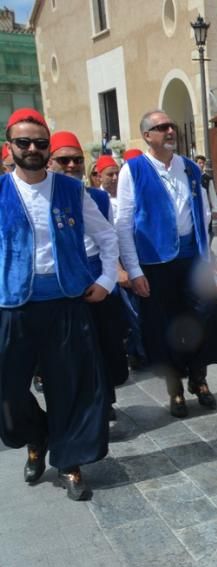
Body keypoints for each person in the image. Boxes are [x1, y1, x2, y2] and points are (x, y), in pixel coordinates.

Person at [0, 109, 119, 501]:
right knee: (8, 390)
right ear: (10, 146)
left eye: (39, 142)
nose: (32, 149)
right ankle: (37, 437)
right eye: (23, 142)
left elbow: (106, 235)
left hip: (67, 304)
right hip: (13, 306)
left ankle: (69, 461)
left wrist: (105, 281)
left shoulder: (70, 190)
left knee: (71, 387)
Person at [116, 109, 217, 418]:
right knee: (164, 326)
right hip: (155, 261)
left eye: (171, 125)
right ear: (148, 135)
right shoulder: (133, 170)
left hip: (191, 257)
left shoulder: (189, 167)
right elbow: (124, 224)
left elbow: (201, 215)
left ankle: (199, 378)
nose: (169, 131)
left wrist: (207, 257)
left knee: (206, 314)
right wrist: (134, 270)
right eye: (161, 127)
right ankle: (175, 386)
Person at [46, 131, 129, 422]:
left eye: (77, 160)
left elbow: (110, 238)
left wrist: (113, 274)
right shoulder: (42, 195)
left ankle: (105, 398)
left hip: (97, 274)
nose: (71, 166)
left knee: (107, 343)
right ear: (50, 162)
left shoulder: (97, 197)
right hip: (64, 280)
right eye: (64, 160)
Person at [195, 155, 217, 234]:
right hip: (195, 206)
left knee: (208, 229)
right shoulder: (191, 176)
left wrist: (215, 209)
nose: (201, 165)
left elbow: (212, 194)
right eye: (199, 163)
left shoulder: (207, 178)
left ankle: (208, 245)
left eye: (203, 163)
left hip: (205, 207)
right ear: (195, 164)